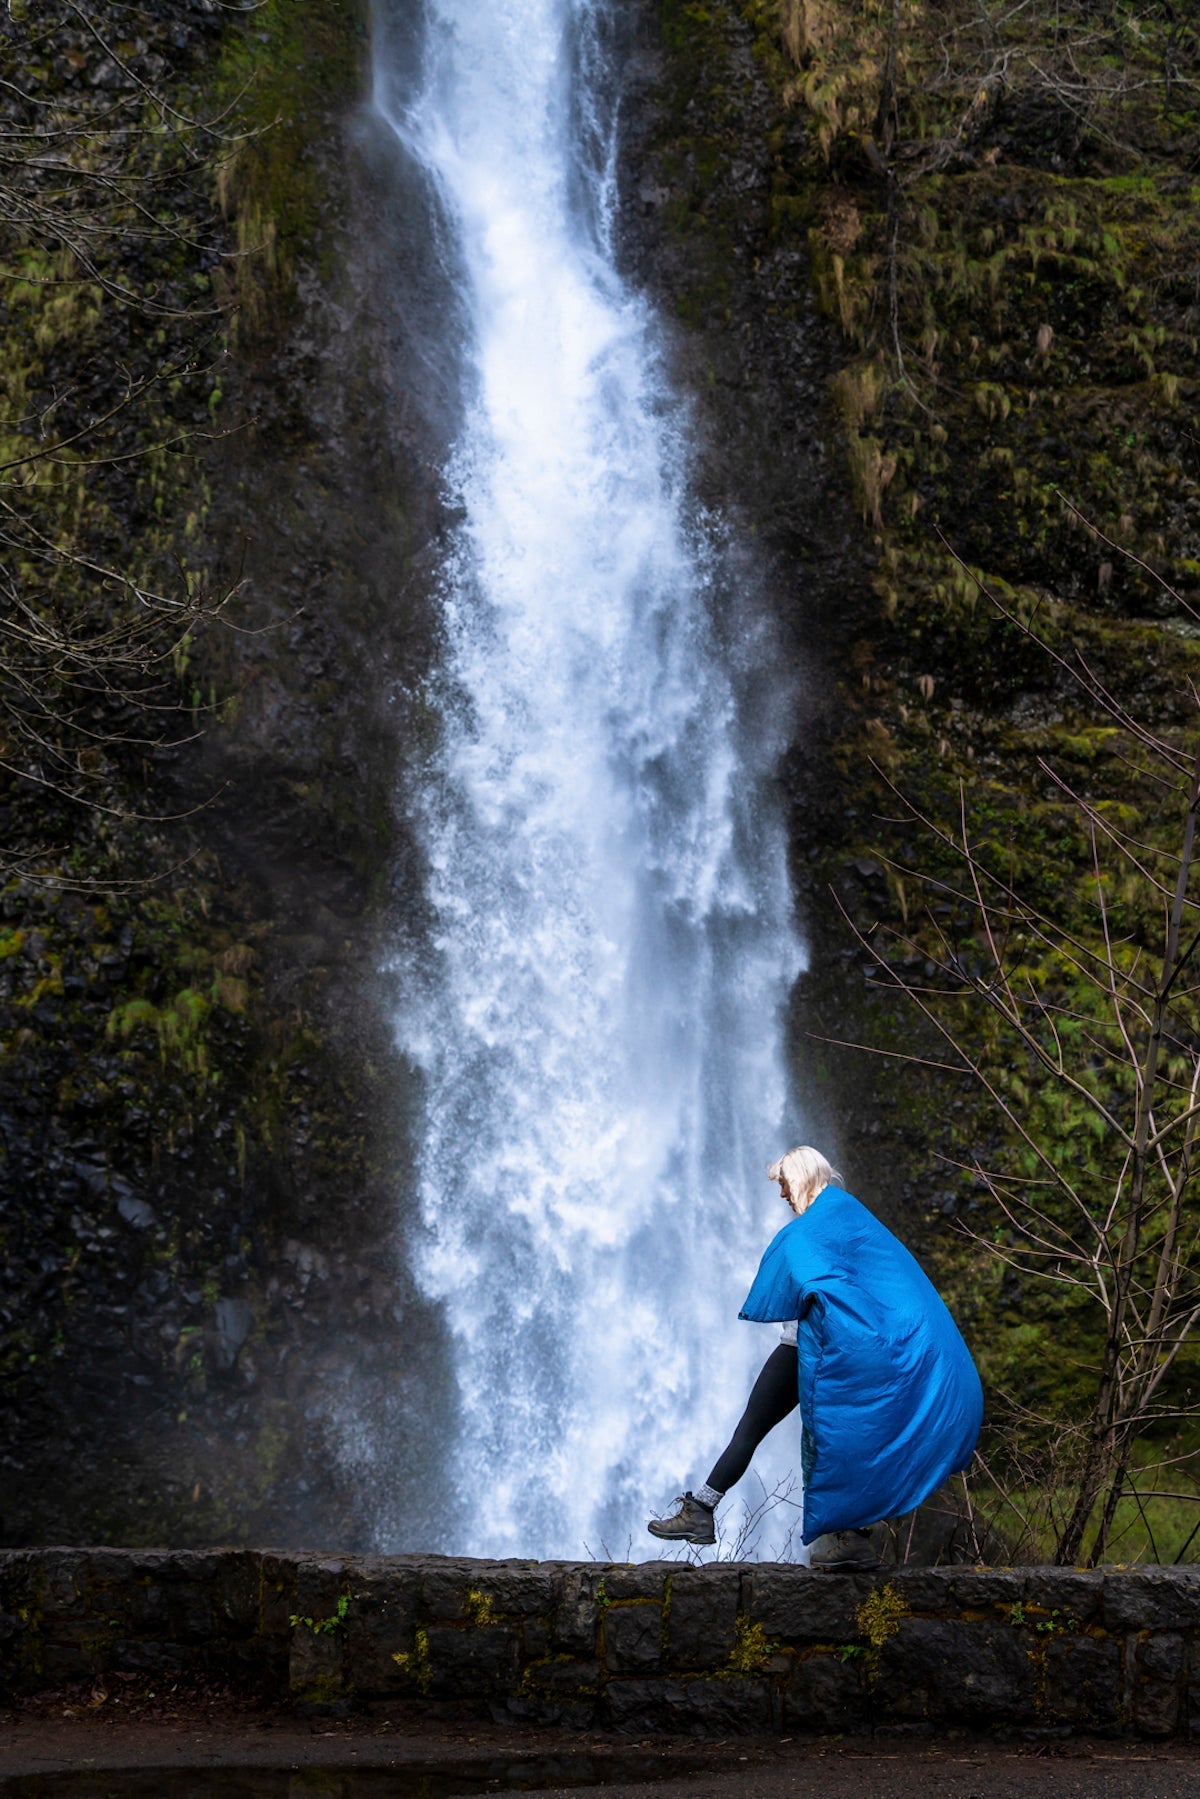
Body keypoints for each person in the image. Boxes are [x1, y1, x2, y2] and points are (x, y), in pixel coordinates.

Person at [647, 1146, 983, 1568]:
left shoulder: (824, 1222)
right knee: (796, 1432)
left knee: (776, 1429)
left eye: (784, 1183)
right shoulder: (841, 1217)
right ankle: (839, 1535)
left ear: (802, 1177)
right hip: (815, 1346)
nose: (782, 1194)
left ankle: (707, 1513)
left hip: (816, 1349)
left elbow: (862, 1285)